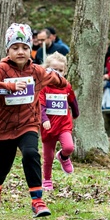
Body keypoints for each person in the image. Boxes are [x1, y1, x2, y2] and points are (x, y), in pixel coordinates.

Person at [0, 24, 67, 218]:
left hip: (28, 123)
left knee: (31, 153)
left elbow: (55, 78)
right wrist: (8, 86)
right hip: (4, 127)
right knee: (2, 166)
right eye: (15, 48)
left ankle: (37, 200)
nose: (20, 52)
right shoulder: (2, 69)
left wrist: (64, 83)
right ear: (8, 50)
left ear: (31, 49)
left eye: (24, 47)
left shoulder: (37, 71)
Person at [38, 53, 80, 191]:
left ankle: (63, 157)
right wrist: (44, 119)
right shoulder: (44, 86)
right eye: (53, 69)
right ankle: (47, 180)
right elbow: (40, 105)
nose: (57, 73)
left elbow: (72, 99)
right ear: (47, 69)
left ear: (65, 71)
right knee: (48, 157)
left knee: (69, 147)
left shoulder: (66, 85)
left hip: (63, 124)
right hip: (48, 125)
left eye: (60, 70)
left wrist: (76, 112)